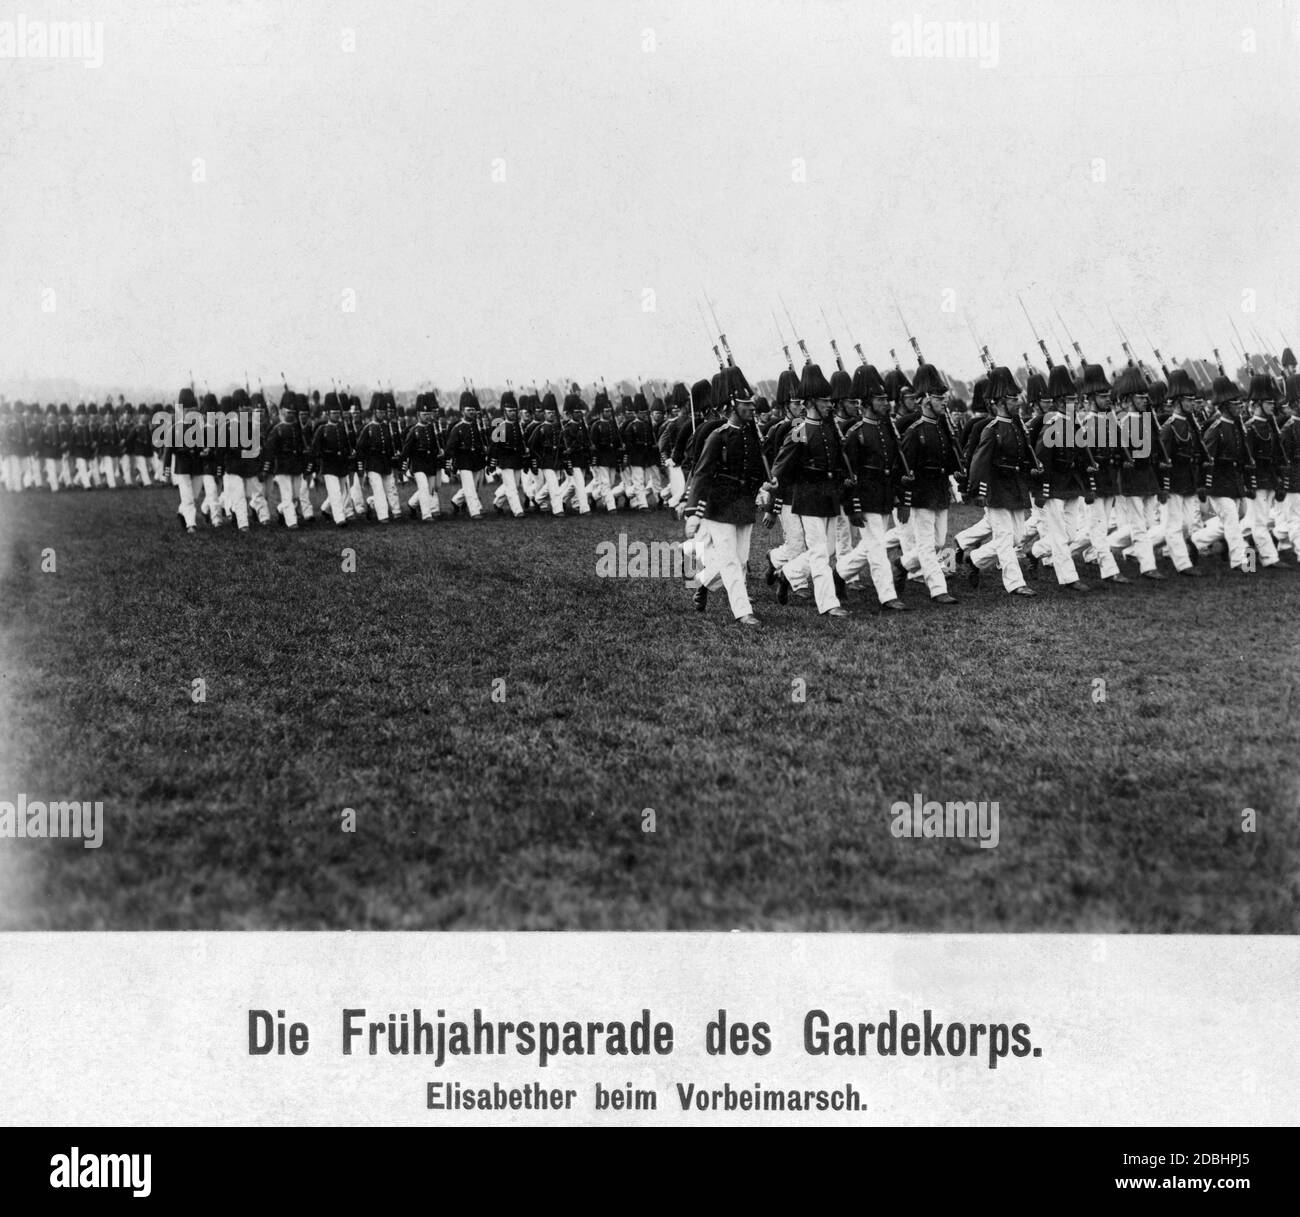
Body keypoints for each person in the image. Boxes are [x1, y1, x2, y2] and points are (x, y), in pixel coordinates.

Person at [768, 363, 849, 618]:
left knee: (829, 549)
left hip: (829, 495)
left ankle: (787, 573)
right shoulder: (799, 432)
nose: (830, 405)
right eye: (825, 401)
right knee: (818, 552)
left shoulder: (830, 429)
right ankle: (828, 603)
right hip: (808, 497)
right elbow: (781, 466)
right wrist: (772, 491)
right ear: (812, 401)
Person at [683, 372, 765, 626]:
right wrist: (693, 511)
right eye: (745, 404)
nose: (751, 407)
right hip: (719, 505)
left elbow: (758, 470)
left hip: (744, 504)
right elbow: (702, 473)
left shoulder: (753, 436)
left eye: (751, 403)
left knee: (739, 560)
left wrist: (767, 484)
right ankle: (743, 611)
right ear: (732, 406)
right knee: (730, 560)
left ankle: (703, 582)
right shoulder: (717, 436)